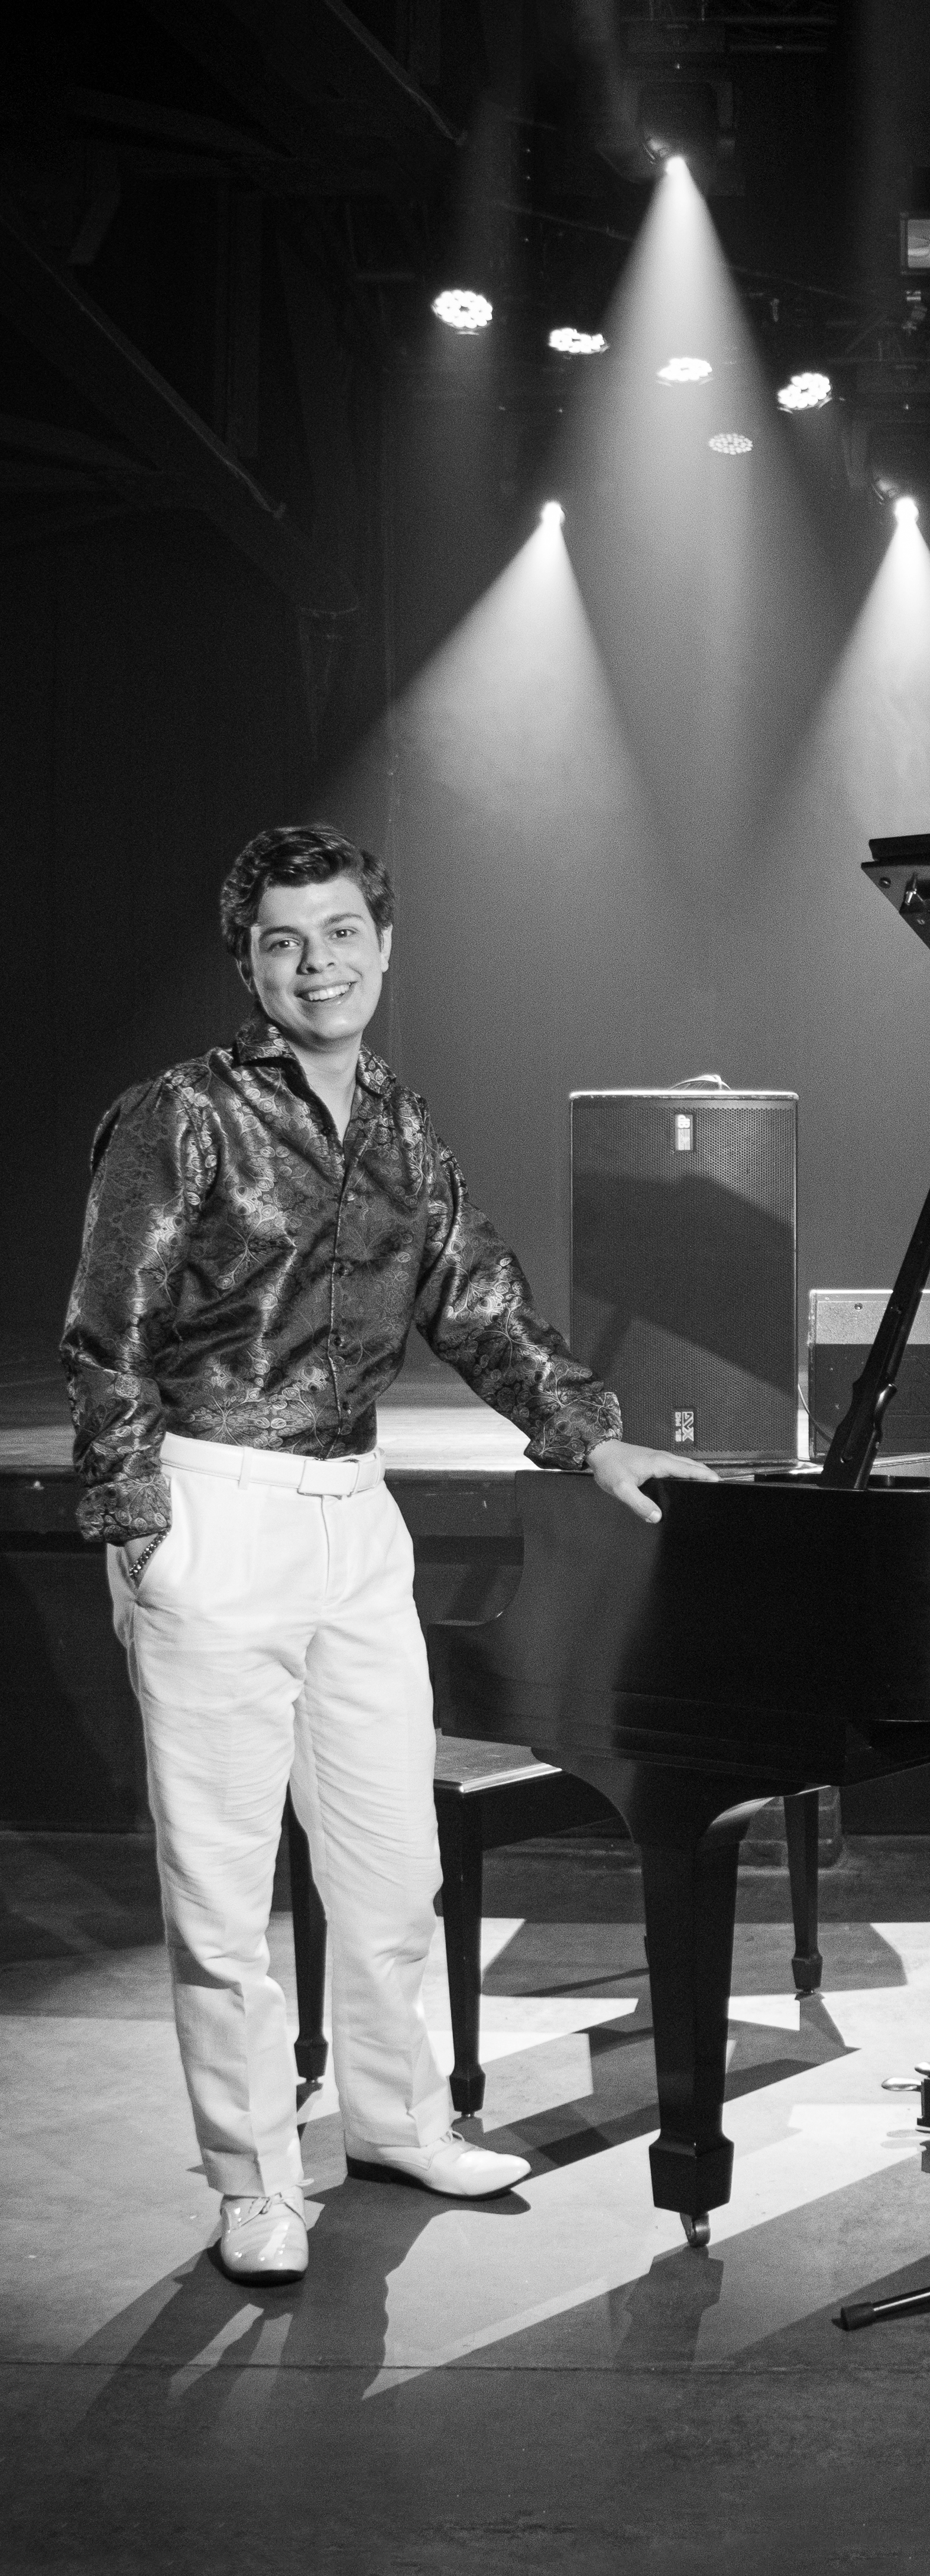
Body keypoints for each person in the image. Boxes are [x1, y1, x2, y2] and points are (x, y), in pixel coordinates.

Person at [61, 823, 714, 2287]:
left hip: (356, 1517)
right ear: (248, 963)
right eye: (285, 942)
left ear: (384, 945)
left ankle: (398, 2121)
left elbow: (477, 1302)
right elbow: (107, 1335)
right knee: (225, 1897)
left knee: (391, 1865)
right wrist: (137, 1527)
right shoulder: (179, 1114)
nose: (318, 965)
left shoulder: (403, 1127)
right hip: (214, 1502)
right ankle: (252, 2180)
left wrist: (591, 1436)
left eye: (342, 933)